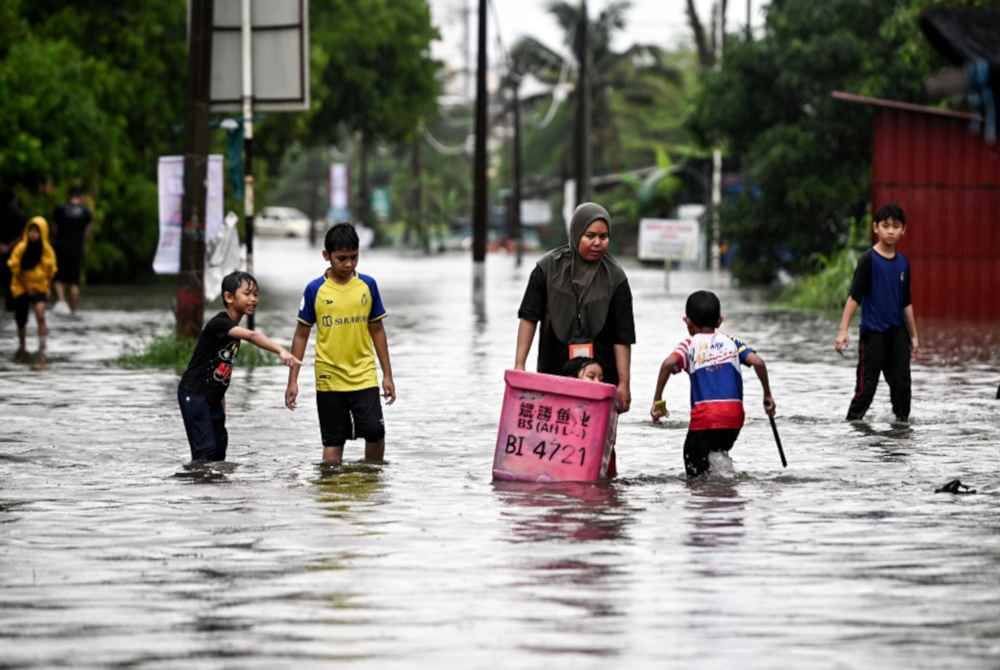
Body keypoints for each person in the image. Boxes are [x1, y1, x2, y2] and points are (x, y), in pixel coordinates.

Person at [285, 223, 397, 466]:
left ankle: (371, 484)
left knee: (375, 434)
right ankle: (333, 495)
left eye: (354, 257)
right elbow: (301, 334)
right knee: (333, 444)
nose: (348, 264)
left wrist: (387, 375)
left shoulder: (368, 285)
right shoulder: (315, 290)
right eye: (341, 258)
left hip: (364, 375)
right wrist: (292, 380)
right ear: (326, 256)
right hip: (329, 378)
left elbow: (377, 330)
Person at [515, 202, 636, 413]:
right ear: (576, 232)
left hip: (602, 375)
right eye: (590, 236)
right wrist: (519, 366)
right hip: (554, 367)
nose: (597, 242)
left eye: (604, 237)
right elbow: (529, 317)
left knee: (600, 439)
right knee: (556, 431)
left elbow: (622, 336)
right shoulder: (547, 268)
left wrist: (624, 384)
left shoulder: (616, 278)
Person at [651, 290, 776, 478]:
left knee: (695, 470)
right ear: (720, 321)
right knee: (717, 454)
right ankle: (726, 490)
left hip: (705, 419)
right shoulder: (733, 342)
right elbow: (758, 362)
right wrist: (767, 395)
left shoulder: (689, 345)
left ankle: (706, 499)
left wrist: (657, 401)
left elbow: (668, 364)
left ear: (688, 323)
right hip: (733, 418)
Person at [178, 271, 300, 462]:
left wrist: (221, 403)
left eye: (256, 294)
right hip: (194, 394)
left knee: (219, 450)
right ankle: (195, 485)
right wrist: (281, 351)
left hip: (213, 399)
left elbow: (220, 371)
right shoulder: (219, 323)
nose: (253, 299)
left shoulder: (233, 329)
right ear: (228, 297)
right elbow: (252, 336)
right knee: (206, 451)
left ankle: (213, 489)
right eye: (247, 293)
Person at [834, 203, 919, 422]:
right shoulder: (868, 261)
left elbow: (906, 303)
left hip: (898, 335)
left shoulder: (903, 264)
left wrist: (914, 335)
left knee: (902, 386)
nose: (890, 230)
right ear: (876, 228)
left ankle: (901, 428)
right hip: (873, 335)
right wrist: (843, 331)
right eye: (885, 225)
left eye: (896, 226)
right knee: (866, 388)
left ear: (903, 230)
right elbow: (854, 298)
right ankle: (853, 423)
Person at [7, 217, 56, 368]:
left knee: (40, 314)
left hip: (40, 287)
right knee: (21, 318)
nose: (33, 234)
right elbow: (15, 268)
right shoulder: (21, 248)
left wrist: (48, 289)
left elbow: (51, 272)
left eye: (37, 231)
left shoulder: (47, 251)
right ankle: (22, 345)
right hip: (21, 286)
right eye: (31, 231)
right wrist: (26, 287)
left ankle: (42, 346)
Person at [51, 186, 93, 315]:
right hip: (77, 249)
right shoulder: (86, 212)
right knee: (74, 281)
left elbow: (54, 229)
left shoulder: (60, 210)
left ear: (68, 196)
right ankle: (73, 310)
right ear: (80, 197)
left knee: (59, 277)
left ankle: (62, 301)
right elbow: (87, 232)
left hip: (60, 247)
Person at [0, 187, 27, 319]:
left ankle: (8, 304)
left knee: (5, 279)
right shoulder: (20, 214)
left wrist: (3, 246)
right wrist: (9, 246)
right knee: (13, 277)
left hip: (4, 250)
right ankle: (12, 305)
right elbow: (23, 235)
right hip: (15, 251)